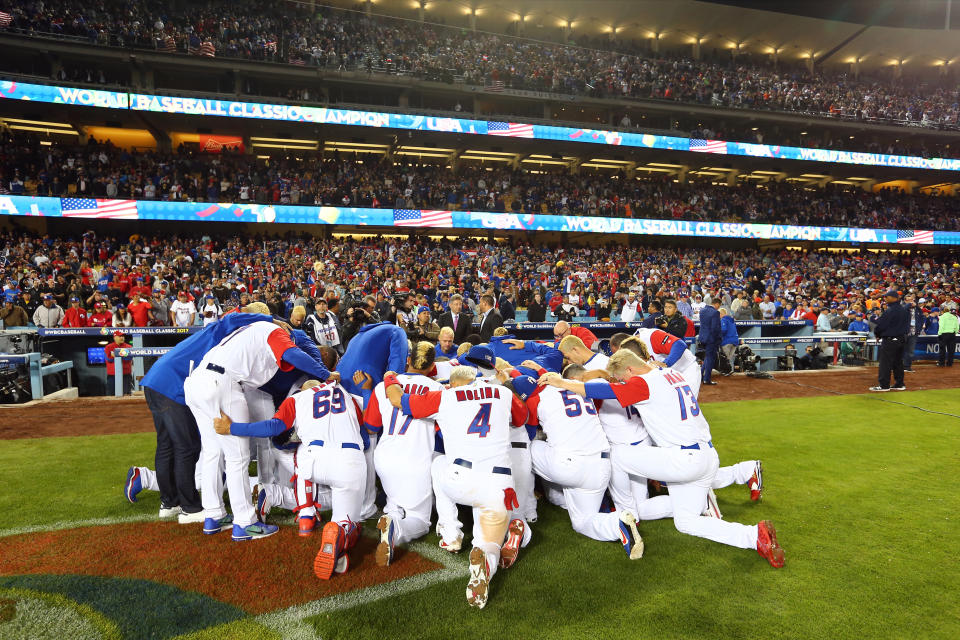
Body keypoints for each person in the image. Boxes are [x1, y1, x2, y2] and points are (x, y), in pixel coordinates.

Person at [539, 349, 784, 569]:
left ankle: (624, 516)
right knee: (686, 522)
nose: (624, 382)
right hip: (706, 455)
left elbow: (602, 389)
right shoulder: (668, 373)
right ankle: (754, 536)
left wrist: (562, 382)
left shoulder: (645, 382)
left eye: (624, 377)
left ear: (631, 369)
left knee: (618, 455)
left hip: (684, 458)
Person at [381, 365, 529, 608]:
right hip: (499, 485)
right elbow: (521, 418)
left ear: (453, 383)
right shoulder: (501, 393)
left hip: (460, 479)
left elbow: (397, 399)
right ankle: (484, 561)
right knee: (489, 544)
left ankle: (451, 534)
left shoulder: (446, 396)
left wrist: (389, 378)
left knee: (438, 462)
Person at [183, 320, 333, 541]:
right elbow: (292, 354)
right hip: (222, 382)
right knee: (238, 458)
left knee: (213, 453)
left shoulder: (245, 333)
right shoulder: (273, 330)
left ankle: (213, 515)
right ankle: (245, 523)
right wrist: (325, 374)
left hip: (196, 381)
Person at [214, 374, 364, 579]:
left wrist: (232, 428)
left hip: (312, 461)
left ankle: (306, 517)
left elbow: (272, 428)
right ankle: (341, 533)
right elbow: (367, 429)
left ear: (303, 389)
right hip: (349, 460)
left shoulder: (297, 399)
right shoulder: (347, 395)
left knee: (303, 452)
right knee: (349, 523)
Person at [509, 374, 641, 551]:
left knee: (523, 447)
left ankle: (523, 512)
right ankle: (617, 524)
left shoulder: (535, 399)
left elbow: (528, 434)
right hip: (600, 467)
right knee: (583, 521)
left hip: (568, 465)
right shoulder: (573, 384)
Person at [362, 342, 446, 566]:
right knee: (419, 519)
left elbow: (370, 426)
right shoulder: (438, 389)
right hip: (416, 459)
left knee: (395, 502)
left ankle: (390, 516)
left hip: (385, 457)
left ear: (408, 359)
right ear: (431, 366)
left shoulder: (383, 387)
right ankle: (396, 530)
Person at [870, 289, 909, 392]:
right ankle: (899, 384)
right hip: (902, 338)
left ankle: (884, 385)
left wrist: (877, 334)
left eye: (887, 297)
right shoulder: (904, 310)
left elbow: (881, 325)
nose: (885, 298)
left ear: (894, 298)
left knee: (885, 363)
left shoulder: (890, 310)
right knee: (898, 362)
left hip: (890, 339)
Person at [698, 299, 721, 386]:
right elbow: (715, 328)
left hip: (703, 337)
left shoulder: (702, 310)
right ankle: (707, 379)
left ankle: (700, 376)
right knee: (710, 358)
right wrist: (718, 338)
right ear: (717, 304)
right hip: (711, 339)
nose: (718, 307)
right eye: (719, 305)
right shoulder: (715, 312)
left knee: (707, 357)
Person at [104, 330, 133, 395]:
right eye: (120, 336)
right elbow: (108, 359)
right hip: (112, 375)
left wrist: (116, 355)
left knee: (126, 394)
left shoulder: (128, 347)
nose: (122, 338)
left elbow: (129, 358)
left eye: (123, 336)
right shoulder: (109, 347)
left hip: (126, 374)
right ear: (115, 337)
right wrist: (122, 355)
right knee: (111, 394)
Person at [903, 294, 923, 373]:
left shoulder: (917, 309)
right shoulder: (903, 307)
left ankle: (907, 367)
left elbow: (922, 317)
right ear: (905, 301)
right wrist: (908, 305)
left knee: (910, 351)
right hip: (904, 333)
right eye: (908, 300)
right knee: (900, 350)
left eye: (911, 300)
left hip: (914, 332)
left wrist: (919, 328)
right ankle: (896, 366)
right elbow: (903, 310)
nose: (910, 302)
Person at [719, 307, 739, 375]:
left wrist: (718, 335)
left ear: (721, 314)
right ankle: (731, 371)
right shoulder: (732, 320)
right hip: (735, 341)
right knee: (730, 358)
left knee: (725, 358)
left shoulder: (723, 320)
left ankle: (727, 371)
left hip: (727, 341)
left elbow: (723, 330)